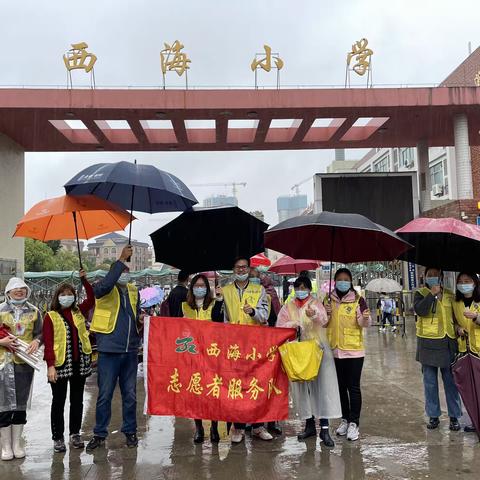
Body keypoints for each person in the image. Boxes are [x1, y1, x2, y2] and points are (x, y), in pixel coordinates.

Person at [86, 245, 142, 451]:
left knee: (130, 395)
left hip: (130, 351)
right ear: (114, 271)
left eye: (127, 271)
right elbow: (103, 287)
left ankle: (130, 431)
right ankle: (100, 433)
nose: (125, 274)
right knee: (105, 395)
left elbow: (134, 315)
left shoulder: (133, 291)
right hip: (109, 350)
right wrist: (120, 260)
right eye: (121, 271)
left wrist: (141, 320)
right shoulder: (103, 288)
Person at [277, 276, 341, 447]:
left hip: (318, 351)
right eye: (298, 287)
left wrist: (315, 316)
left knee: (322, 388)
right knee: (303, 390)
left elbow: (324, 321)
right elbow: (279, 325)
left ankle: (325, 430)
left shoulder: (316, 303)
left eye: (304, 287)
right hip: (298, 353)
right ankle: (310, 425)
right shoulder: (288, 306)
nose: (301, 290)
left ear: (309, 289)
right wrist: (293, 324)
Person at [43, 269, 95, 452]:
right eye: (63, 295)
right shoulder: (50, 316)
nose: (67, 297)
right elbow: (48, 343)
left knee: (77, 400)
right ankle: (57, 437)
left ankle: (75, 433)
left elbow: (91, 299)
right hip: (59, 365)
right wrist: (50, 366)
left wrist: (84, 280)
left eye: (70, 294)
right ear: (57, 297)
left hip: (79, 363)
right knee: (58, 401)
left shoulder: (79, 311)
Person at [222, 256, 271, 443]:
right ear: (233, 269)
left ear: (249, 269)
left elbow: (265, 315)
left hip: (254, 346)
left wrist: (253, 312)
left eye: (244, 267)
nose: (241, 270)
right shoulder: (225, 291)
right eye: (237, 267)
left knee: (256, 386)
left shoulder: (259, 290)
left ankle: (258, 426)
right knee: (237, 387)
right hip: (234, 347)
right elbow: (223, 319)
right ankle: (239, 427)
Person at [324, 268, 372, 442]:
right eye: (339, 279)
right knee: (340, 388)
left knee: (353, 387)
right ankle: (344, 420)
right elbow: (323, 323)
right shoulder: (328, 299)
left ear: (350, 281)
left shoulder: (359, 300)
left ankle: (354, 423)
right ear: (335, 281)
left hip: (354, 351)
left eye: (346, 279)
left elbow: (364, 323)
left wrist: (366, 317)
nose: (342, 282)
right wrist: (325, 313)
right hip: (334, 351)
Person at [413, 267, 462, 431]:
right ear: (424, 277)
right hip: (427, 344)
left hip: (448, 343)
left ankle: (454, 416)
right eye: (429, 275)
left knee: (451, 383)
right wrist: (432, 294)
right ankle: (433, 416)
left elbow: (456, 317)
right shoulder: (420, 293)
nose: (433, 277)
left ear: (441, 276)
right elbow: (420, 310)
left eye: (436, 274)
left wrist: (459, 328)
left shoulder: (450, 295)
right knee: (430, 383)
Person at [0, 278, 42, 461]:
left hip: (24, 365)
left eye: (23, 289)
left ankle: (17, 444)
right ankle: (5, 446)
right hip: (2, 363)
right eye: (15, 289)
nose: (19, 292)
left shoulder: (34, 311)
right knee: (2, 405)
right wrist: (1, 341)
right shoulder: (0, 310)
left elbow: (40, 332)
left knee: (19, 404)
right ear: (8, 292)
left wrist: (37, 341)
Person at [181, 274, 223, 443]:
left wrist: (219, 300)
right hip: (192, 356)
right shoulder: (185, 306)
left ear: (207, 287)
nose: (200, 288)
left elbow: (220, 324)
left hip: (211, 356)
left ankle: (214, 426)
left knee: (213, 391)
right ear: (191, 288)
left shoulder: (213, 304)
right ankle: (198, 428)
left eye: (202, 285)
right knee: (195, 392)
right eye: (196, 285)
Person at [452, 272, 480, 433]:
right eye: (461, 281)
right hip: (466, 351)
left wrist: (477, 317)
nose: (463, 284)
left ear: (475, 283)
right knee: (471, 390)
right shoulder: (456, 303)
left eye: (467, 281)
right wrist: (458, 329)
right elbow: (454, 323)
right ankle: (475, 421)